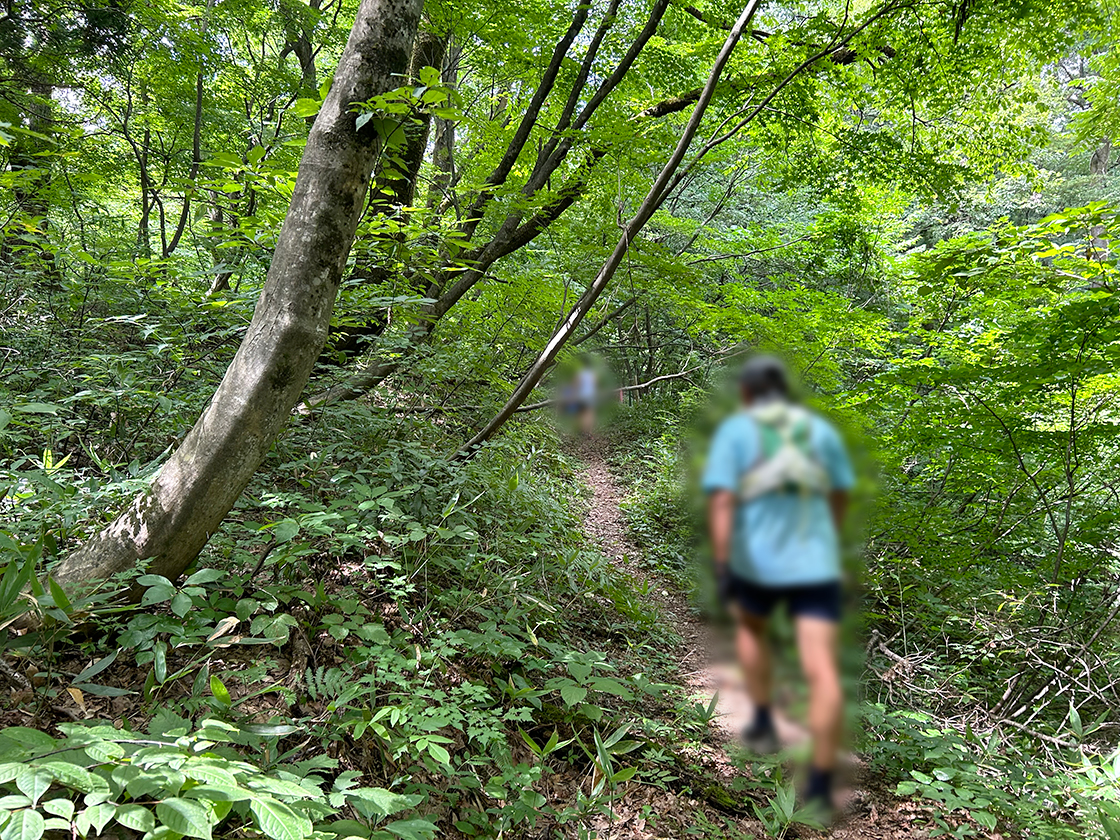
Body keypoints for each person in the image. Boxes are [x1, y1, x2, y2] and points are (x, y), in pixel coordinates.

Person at [702, 355, 854, 811]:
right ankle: (823, 784)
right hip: (817, 564)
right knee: (821, 667)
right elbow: (840, 494)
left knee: (753, 631)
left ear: (747, 394)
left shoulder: (736, 431)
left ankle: (764, 719)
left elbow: (724, 501)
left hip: (756, 563)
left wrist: (724, 561)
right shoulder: (820, 432)